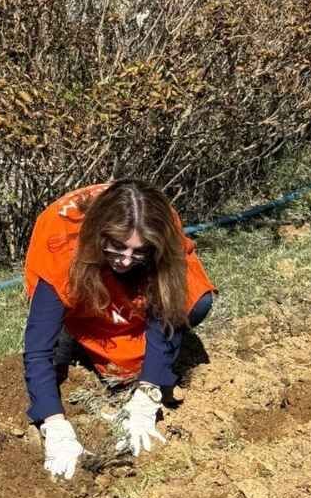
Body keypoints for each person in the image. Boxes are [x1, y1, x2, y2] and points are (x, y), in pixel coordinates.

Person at [21, 180, 216, 480]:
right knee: (62, 322)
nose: (125, 259)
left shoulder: (161, 229)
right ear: (101, 233)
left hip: (145, 260)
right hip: (75, 258)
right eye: (118, 247)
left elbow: (168, 304)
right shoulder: (61, 246)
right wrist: (53, 421)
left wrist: (149, 389)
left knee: (195, 302)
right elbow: (37, 348)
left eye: (138, 252)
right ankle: (73, 330)